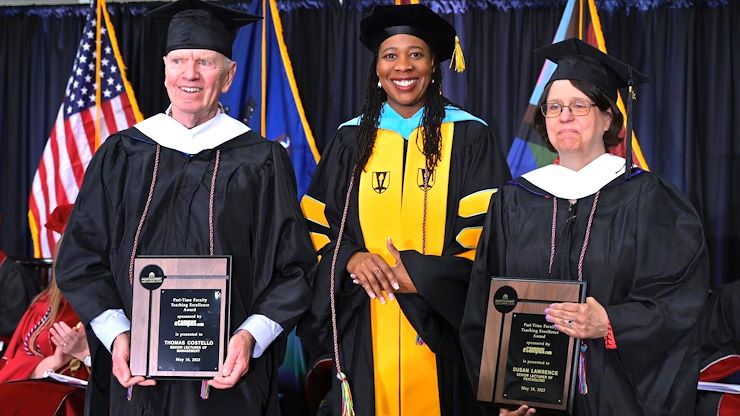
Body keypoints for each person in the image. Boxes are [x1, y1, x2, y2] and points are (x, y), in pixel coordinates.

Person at [54, 0, 315, 414]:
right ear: (164, 69)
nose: (189, 74)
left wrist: (249, 338)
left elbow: (294, 268)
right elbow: (81, 258)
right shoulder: (123, 153)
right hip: (136, 380)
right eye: (179, 60)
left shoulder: (260, 160)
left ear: (228, 76)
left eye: (205, 62)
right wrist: (118, 334)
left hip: (230, 379)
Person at [460, 38, 709, 416]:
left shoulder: (648, 199)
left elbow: (679, 302)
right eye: (554, 107)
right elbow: (485, 303)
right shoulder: (514, 200)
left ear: (608, 117)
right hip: (531, 399)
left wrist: (610, 322)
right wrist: (500, 394)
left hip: (615, 398)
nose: (564, 116)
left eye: (579, 105)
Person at [297, 4, 511, 415]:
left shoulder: (469, 135)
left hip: (441, 327)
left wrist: (427, 277)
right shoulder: (350, 140)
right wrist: (350, 258)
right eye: (390, 55)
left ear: (434, 64)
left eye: (416, 53)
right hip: (366, 320)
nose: (403, 66)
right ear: (376, 67)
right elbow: (316, 224)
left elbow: (490, 235)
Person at [0, 203, 90, 383]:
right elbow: (17, 360)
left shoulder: (114, 310)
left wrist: (83, 354)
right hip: (34, 392)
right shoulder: (43, 305)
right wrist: (53, 361)